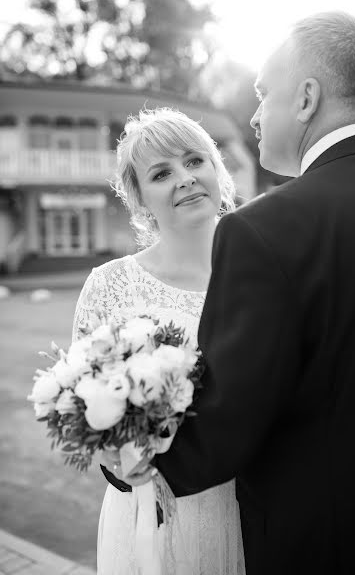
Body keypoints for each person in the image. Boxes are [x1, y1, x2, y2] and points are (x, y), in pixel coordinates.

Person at [137, 12, 355, 574]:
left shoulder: (265, 230)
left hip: (330, 544)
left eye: (263, 94)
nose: (255, 116)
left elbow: (229, 419)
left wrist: (130, 448)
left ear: (306, 98)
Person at [72, 108, 245, 574]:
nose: (185, 179)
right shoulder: (110, 285)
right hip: (147, 511)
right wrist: (120, 457)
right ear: (139, 197)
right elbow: (84, 408)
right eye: (162, 173)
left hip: (249, 504)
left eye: (195, 161)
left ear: (216, 169)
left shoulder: (261, 273)